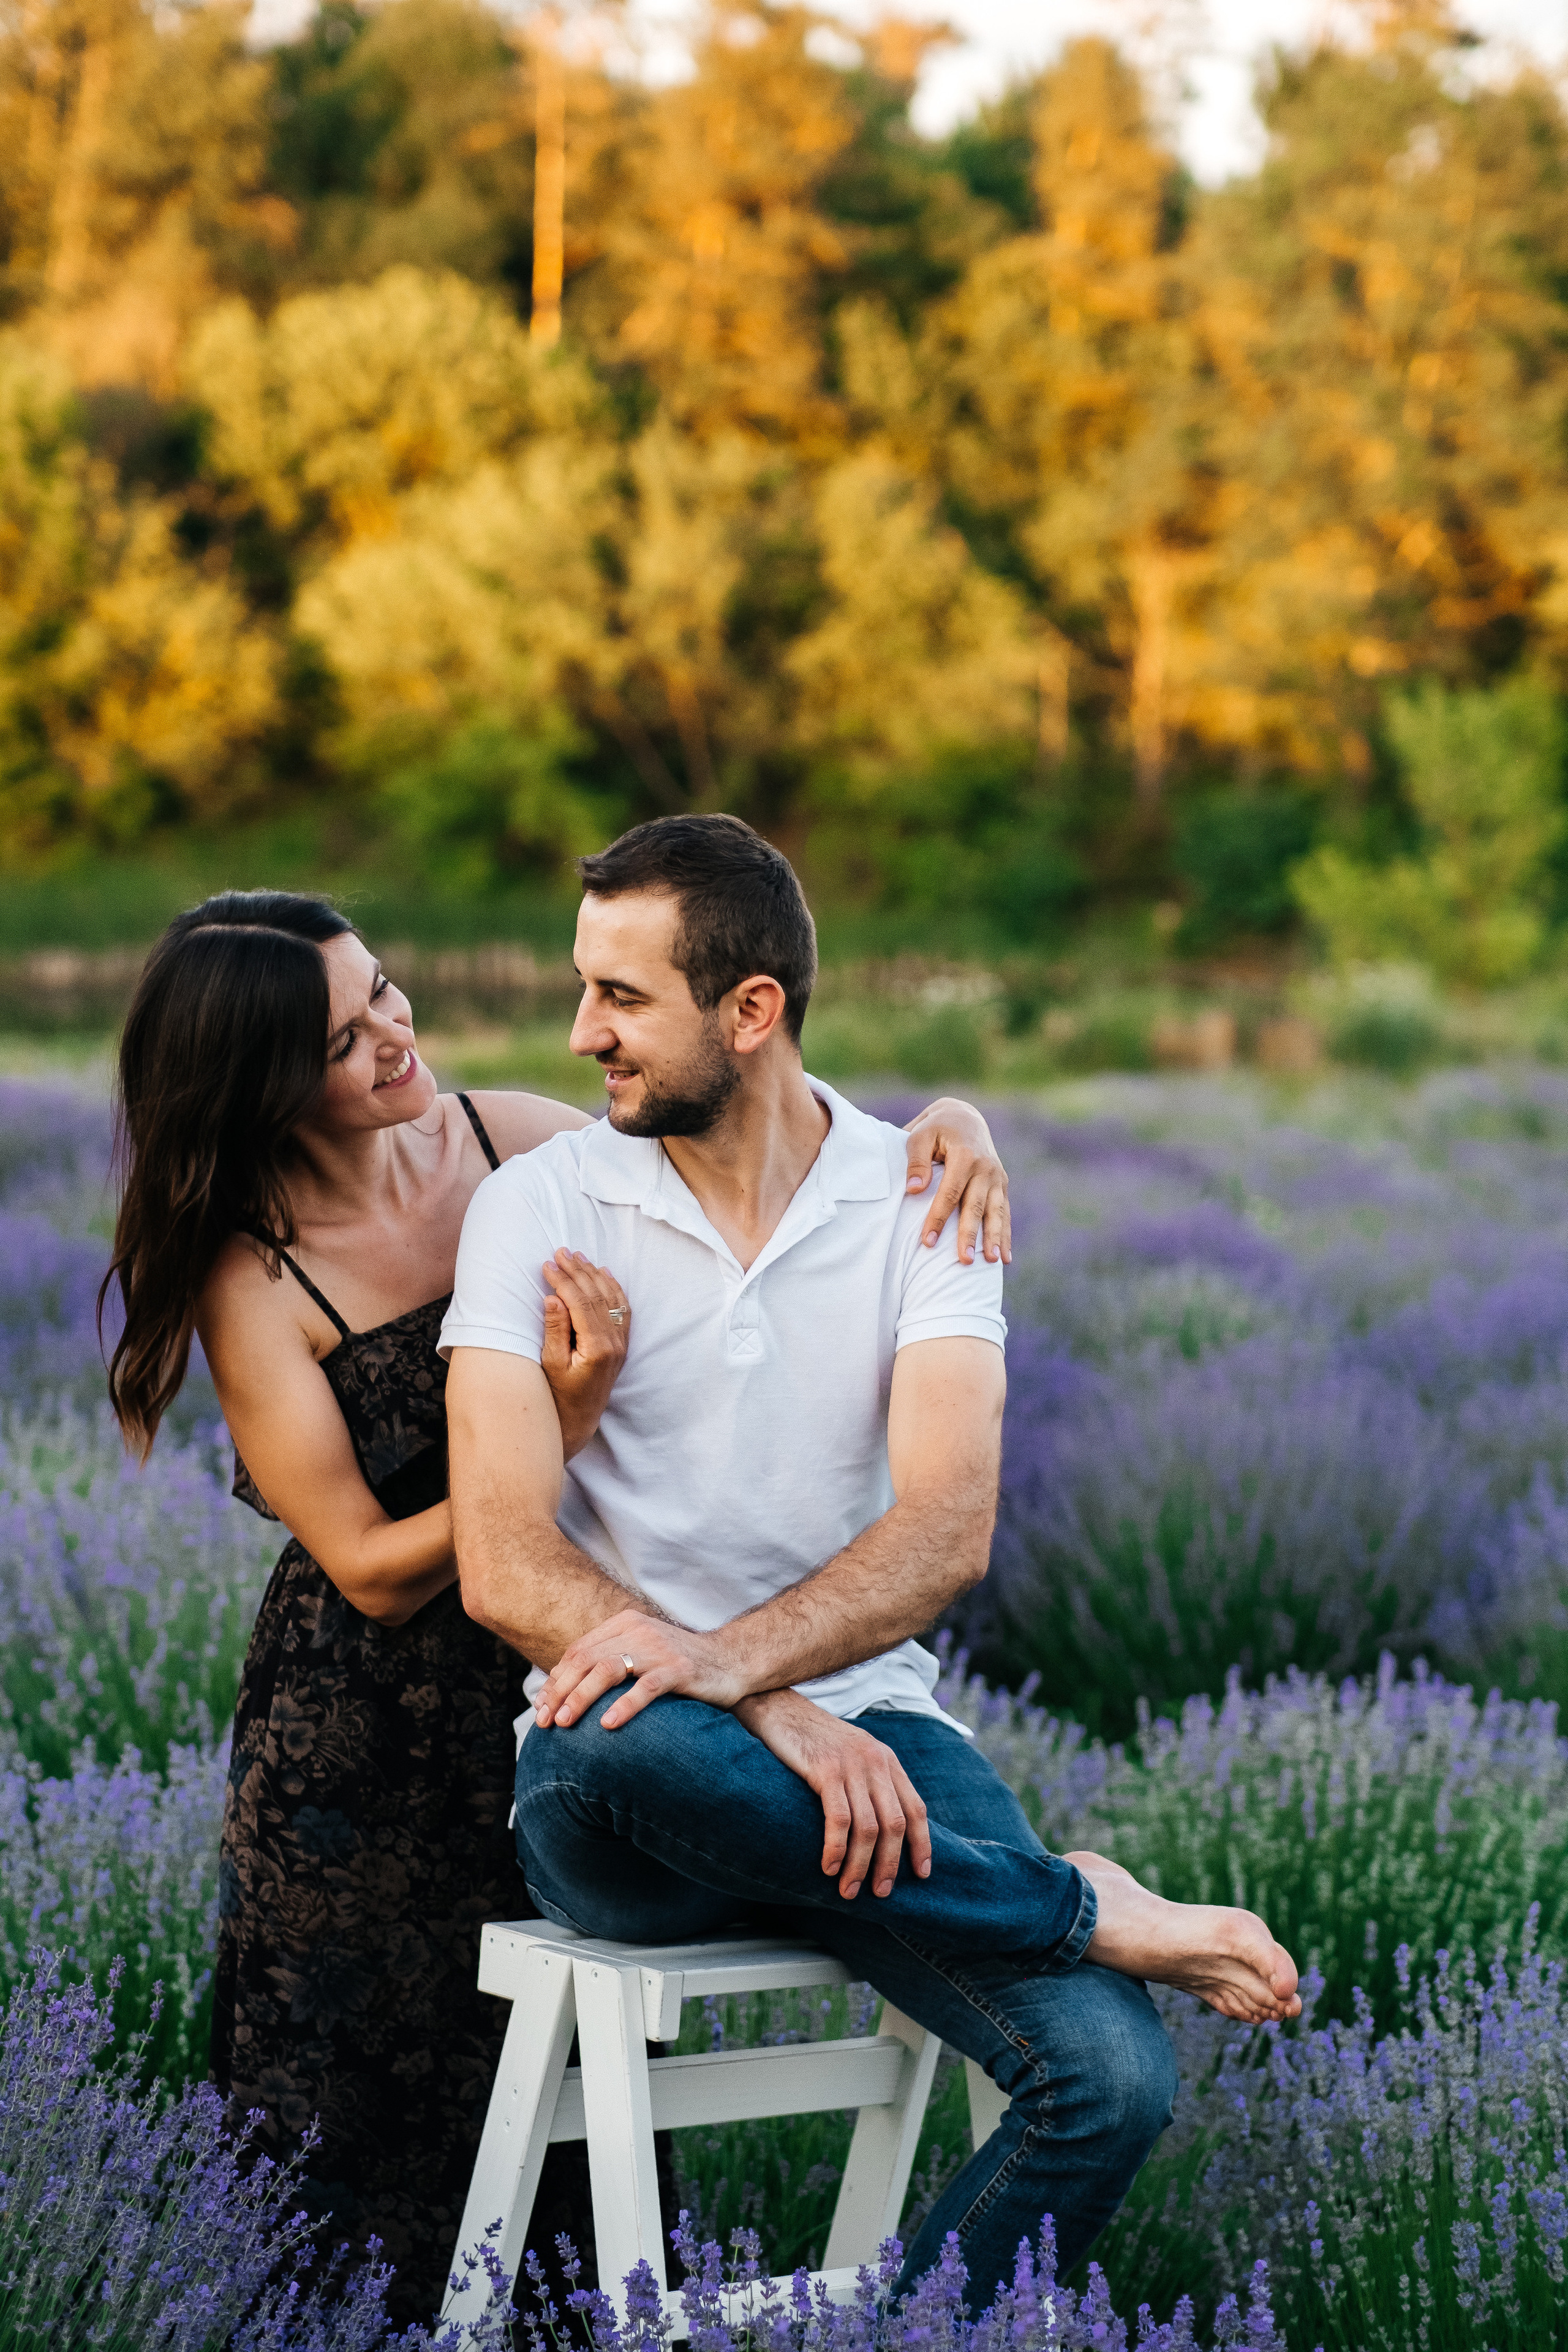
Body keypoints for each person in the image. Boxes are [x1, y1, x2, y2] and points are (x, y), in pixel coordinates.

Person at [99, 886, 1017, 2328]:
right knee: (357, 2104)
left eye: (382, 989)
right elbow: (363, 1562)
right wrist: (555, 1432)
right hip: (361, 1734)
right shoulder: (253, 1271)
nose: (394, 1034)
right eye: (342, 1040)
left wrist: (945, 1123)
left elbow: (753, 1133)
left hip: (566, 1665)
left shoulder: (510, 1144)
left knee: (573, 2099)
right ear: (263, 1084)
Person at [441, 816, 1303, 2312]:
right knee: (613, 1740)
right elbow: (504, 1565)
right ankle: (1076, 1904)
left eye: (621, 997)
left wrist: (740, 1664)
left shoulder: (924, 1195)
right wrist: (759, 1702)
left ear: (750, 1009)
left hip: (878, 1738)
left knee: (1107, 2084)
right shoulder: (540, 1206)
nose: (582, 1033)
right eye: (586, 990)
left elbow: (945, 1529)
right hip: (635, 1784)